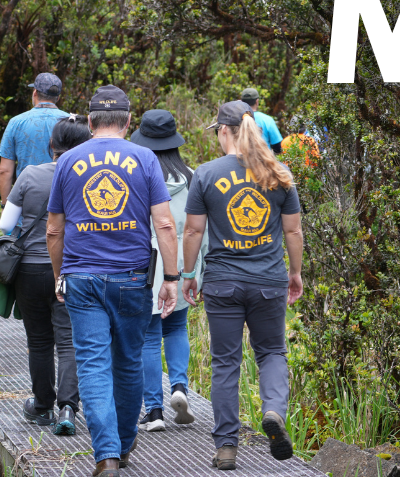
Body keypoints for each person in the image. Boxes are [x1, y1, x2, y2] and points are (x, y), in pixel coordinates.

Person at [45, 85, 181, 477]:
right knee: (129, 361)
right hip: (132, 277)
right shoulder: (145, 159)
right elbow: (165, 224)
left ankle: (105, 454)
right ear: (128, 121)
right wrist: (170, 278)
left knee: (92, 364)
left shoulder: (68, 160)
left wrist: (60, 275)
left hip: (82, 277)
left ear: (89, 122)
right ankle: (121, 446)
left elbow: (54, 230)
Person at [181, 101, 304, 470]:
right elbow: (293, 230)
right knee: (271, 353)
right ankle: (273, 411)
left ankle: (226, 448)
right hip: (268, 280)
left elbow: (192, 230)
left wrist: (189, 274)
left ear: (223, 130)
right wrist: (294, 273)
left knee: (225, 364)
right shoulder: (278, 172)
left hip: (222, 283)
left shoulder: (205, 174)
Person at [0, 115, 92, 435]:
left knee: (39, 342)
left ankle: (42, 406)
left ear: (51, 145)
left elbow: (5, 225)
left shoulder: (29, 174)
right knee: (69, 343)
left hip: (29, 270)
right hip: (71, 269)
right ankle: (68, 407)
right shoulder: (87, 179)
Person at [128, 109, 207, 432]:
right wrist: (197, 271)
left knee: (148, 337)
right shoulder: (192, 177)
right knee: (177, 327)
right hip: (184, 265)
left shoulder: (138, 177)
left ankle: (155, 411)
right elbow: (199, 229)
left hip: (148, 266)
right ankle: (179, 388)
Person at [0, 73, 70, 204]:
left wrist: (5, 205)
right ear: (58, 97)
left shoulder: (16, 122)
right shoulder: (71, 122)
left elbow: (5, 170)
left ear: (35, 92)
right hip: (62, 203)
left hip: (26, 204)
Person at [240, 88, 283, 154]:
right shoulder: (267, 120)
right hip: (263, 161)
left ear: (241, 102)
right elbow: (278, 147)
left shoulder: (236, 119)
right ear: (257, 101)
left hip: (240, 161)